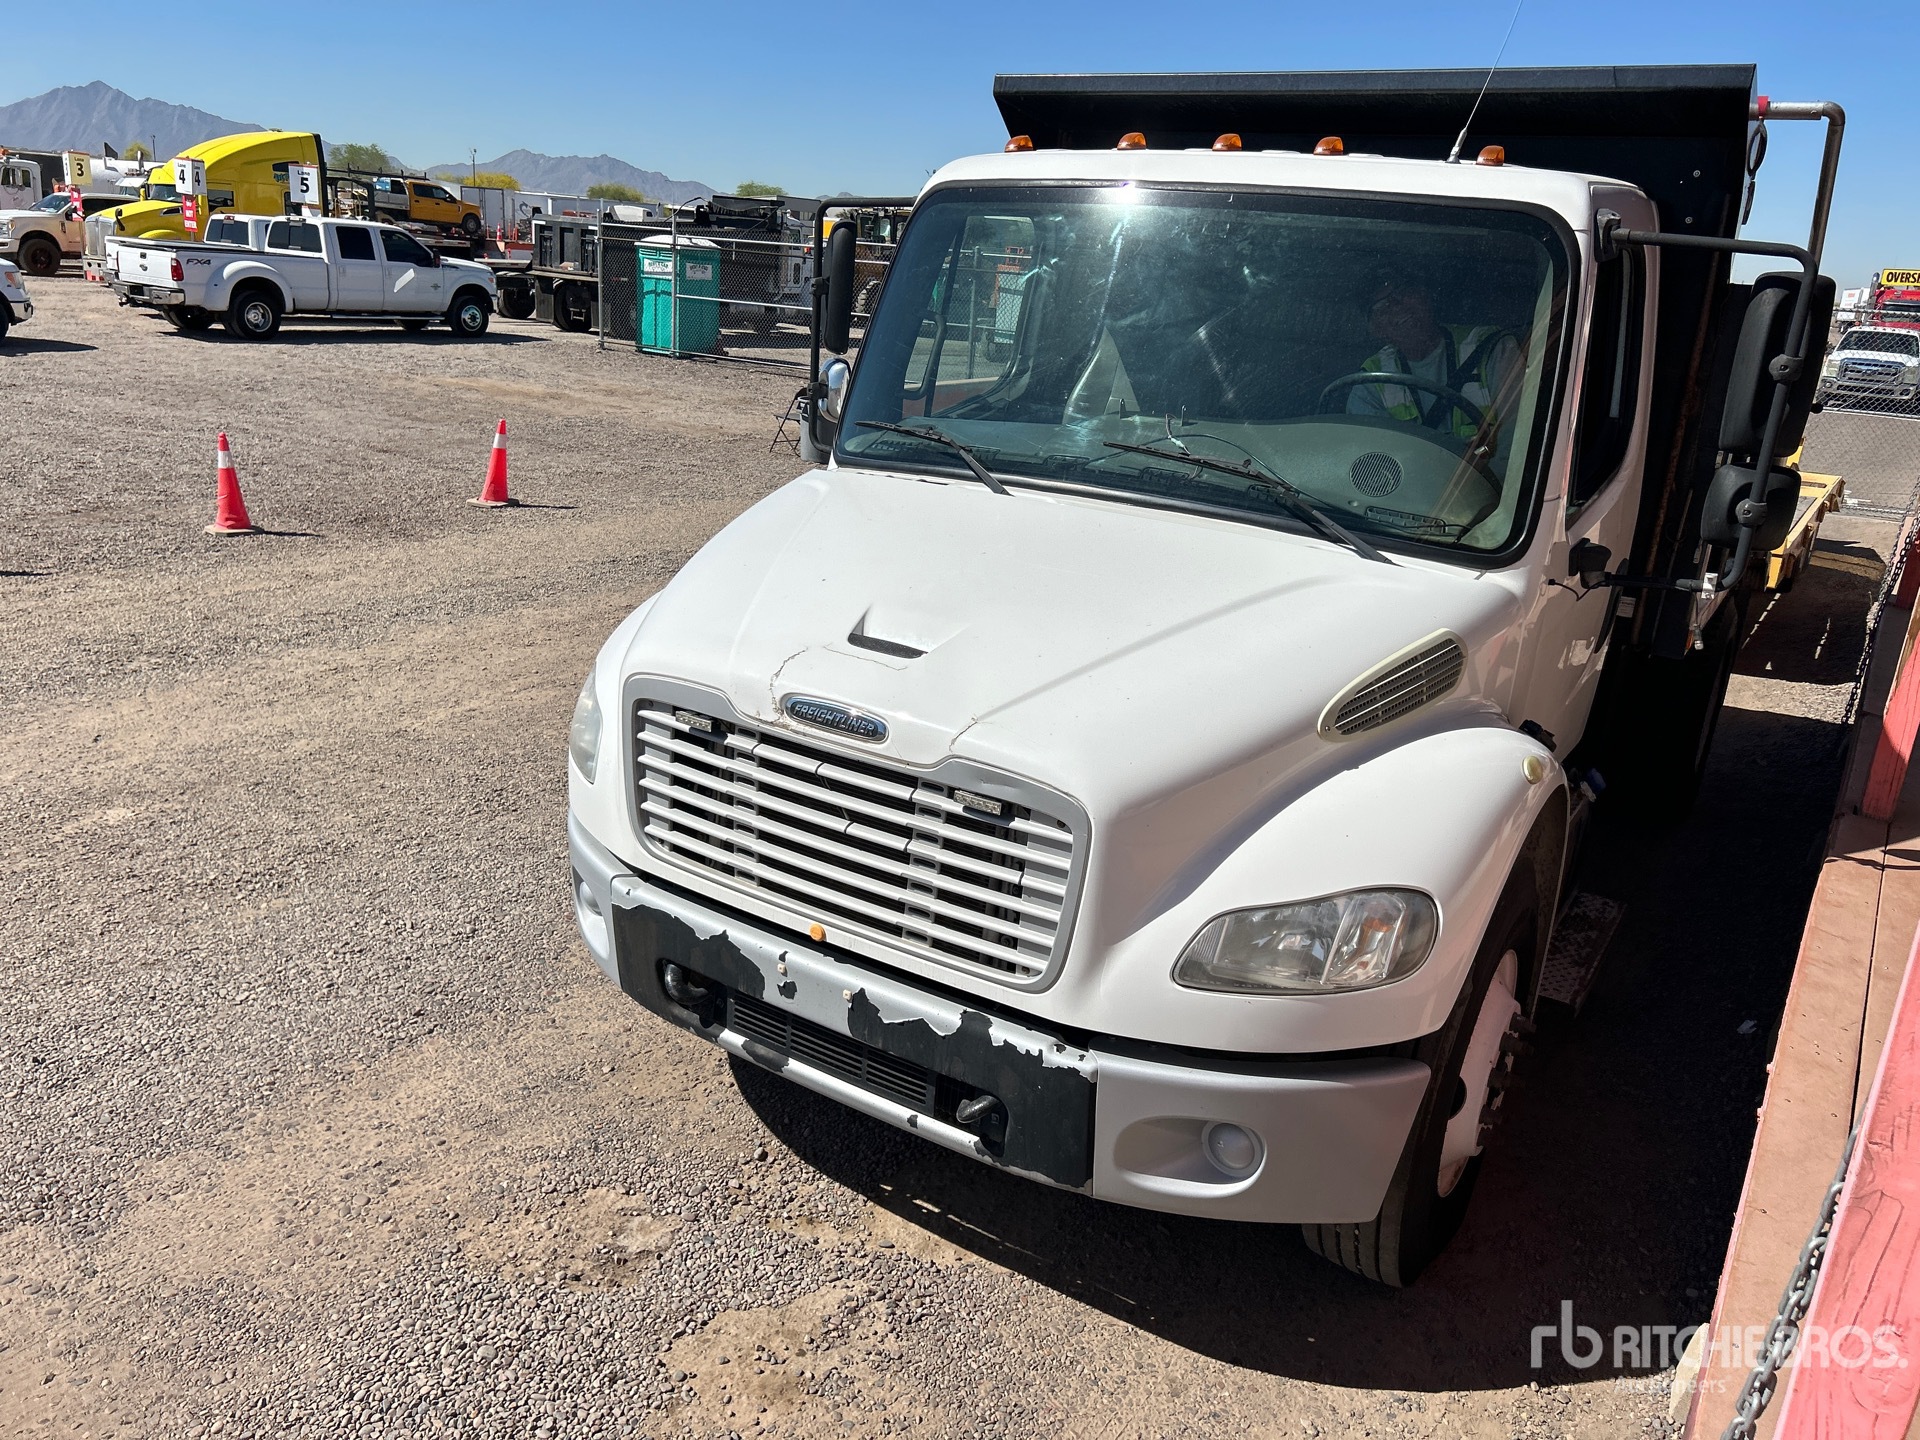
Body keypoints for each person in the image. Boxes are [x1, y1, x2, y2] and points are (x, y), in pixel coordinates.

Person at [1347, 274, 1522, 455]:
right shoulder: (1369, 382)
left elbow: (1518, 439)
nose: (1396, 306)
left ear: (1425, 295)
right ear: (1375, 329)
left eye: (1402, 292)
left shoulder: (1490, 348)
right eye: (1381, 307)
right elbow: (1370, 463)